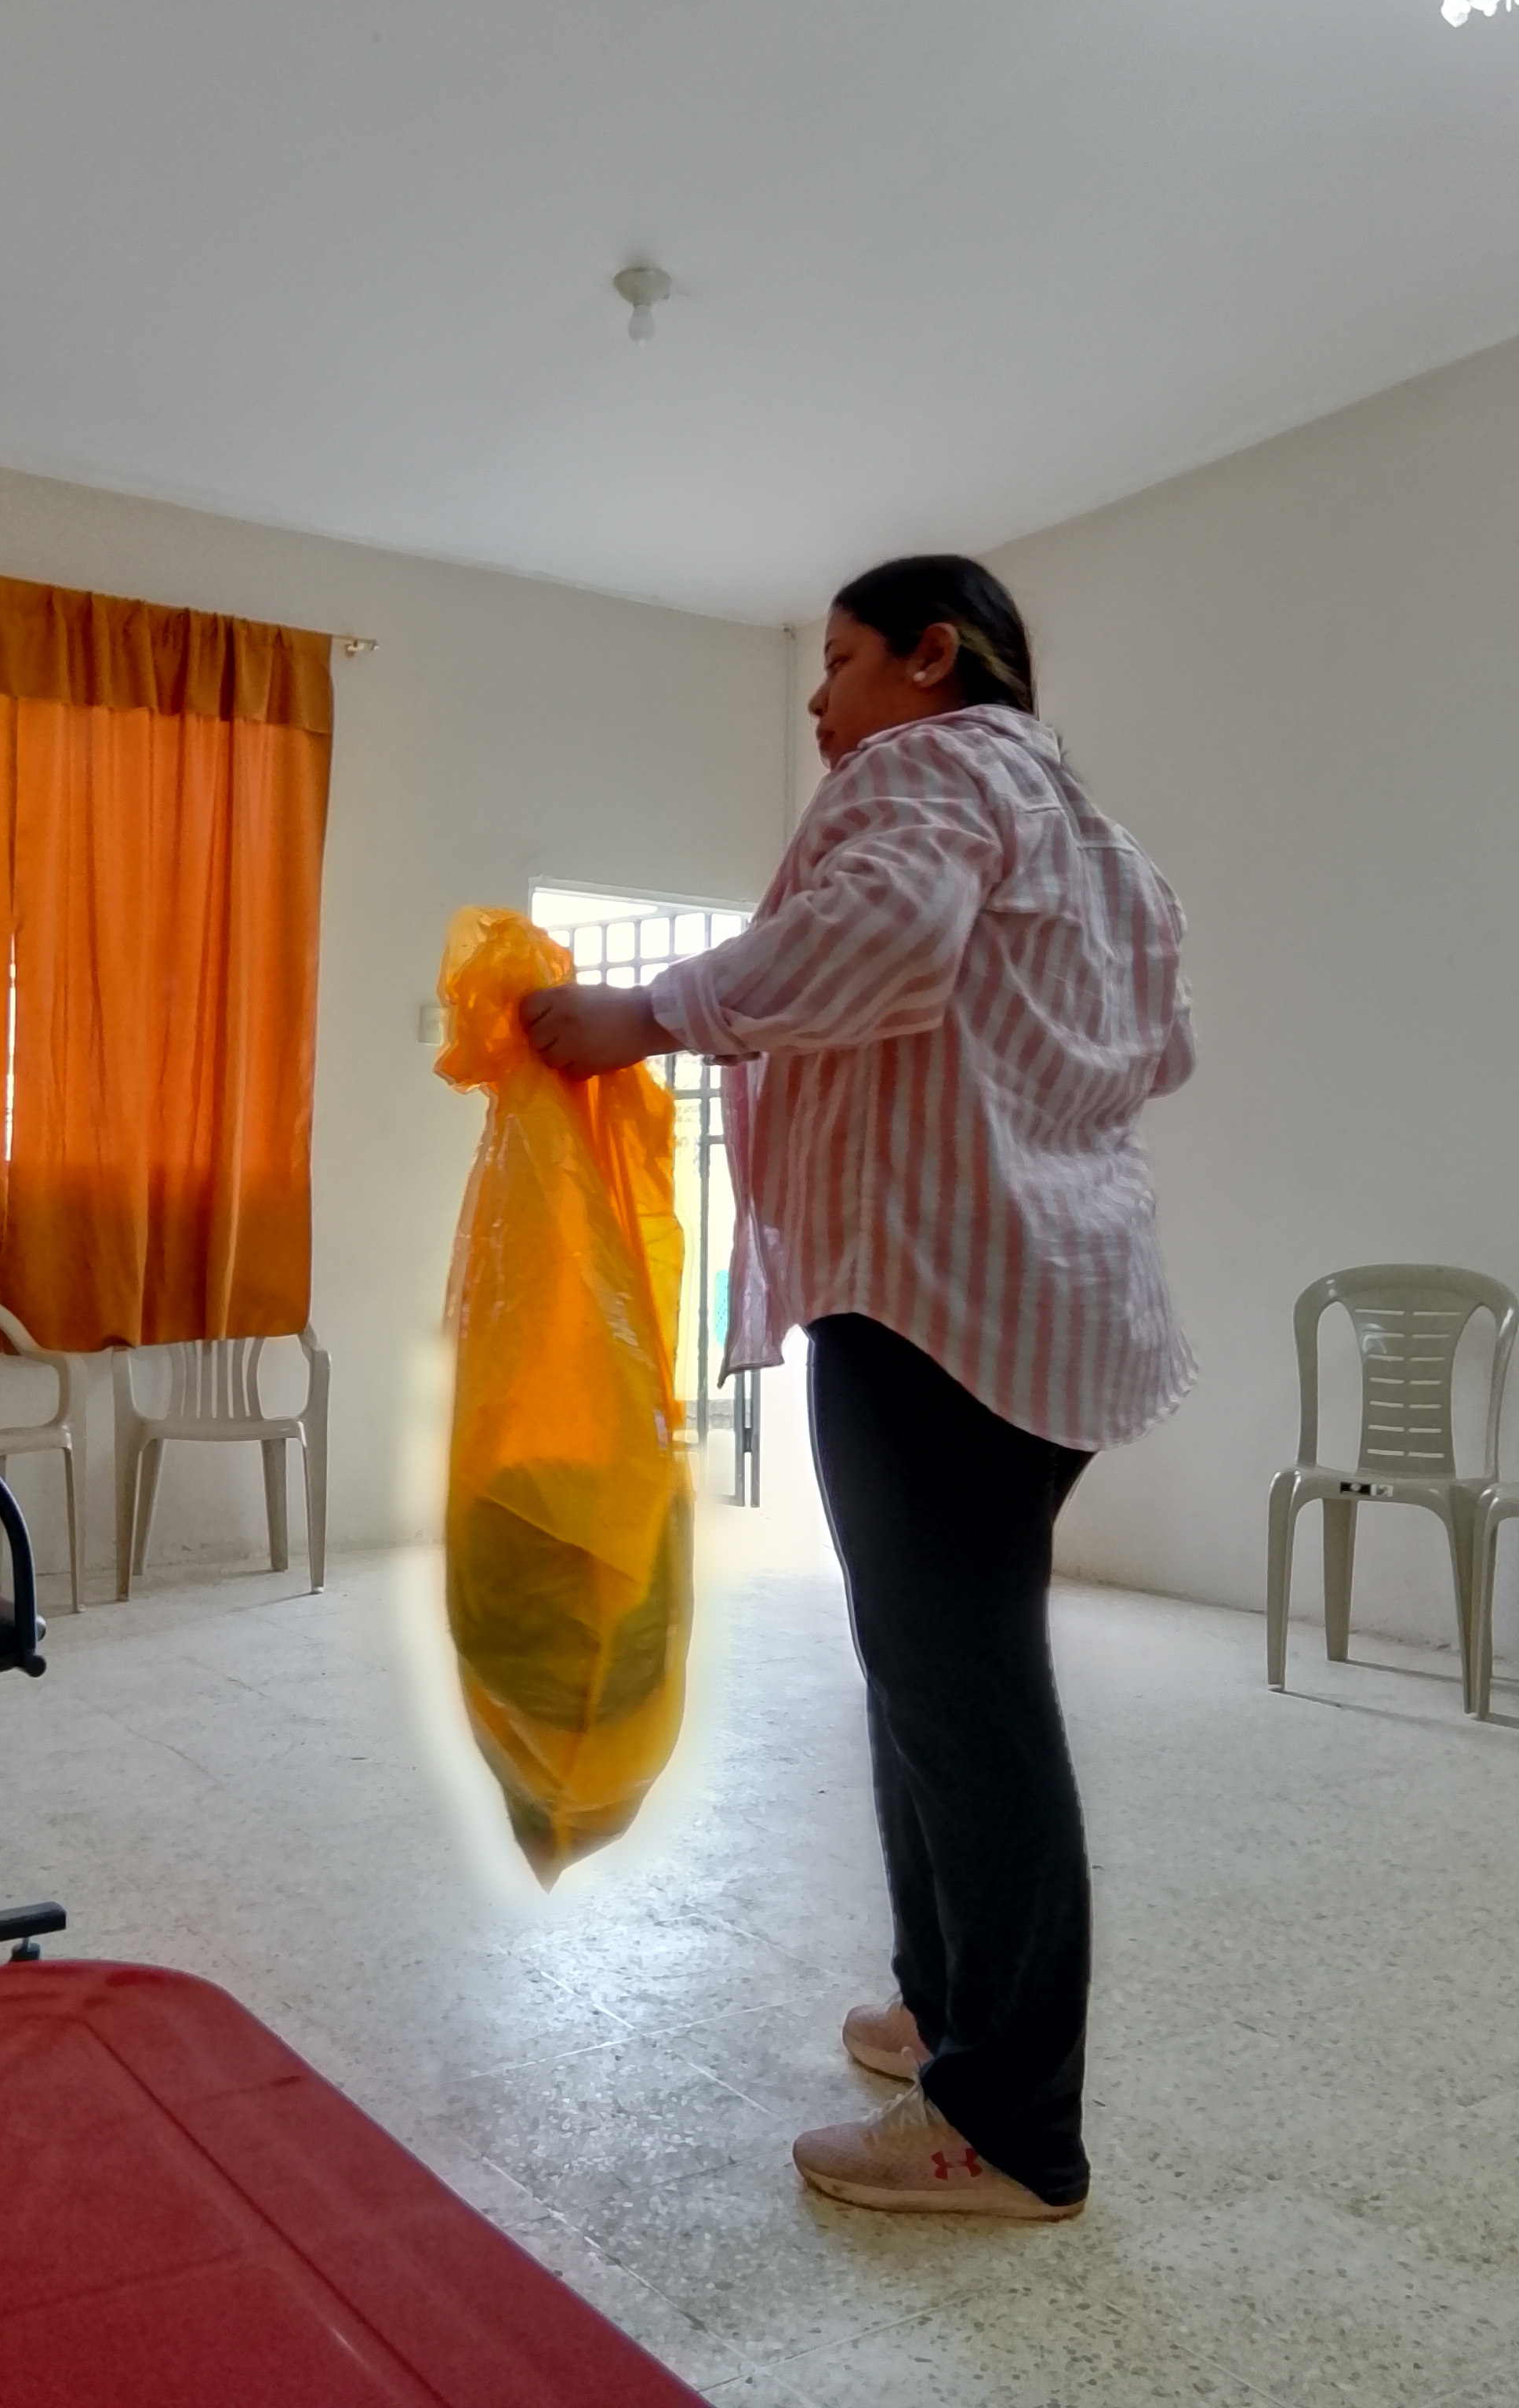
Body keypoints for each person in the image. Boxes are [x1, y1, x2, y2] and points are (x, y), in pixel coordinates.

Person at [522, 554, 1193, 2223]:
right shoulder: (1102, 844)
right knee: (932, 1671)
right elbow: (1161, 1048)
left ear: (932, 654)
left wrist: (647, 1013)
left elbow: (880, 938)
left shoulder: (926, 766)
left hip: (929, 1300)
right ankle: (945, 2009)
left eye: (837, 661)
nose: (819, 703)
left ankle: (1010, 2127)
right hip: (1054, 1302)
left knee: (964, 1701)